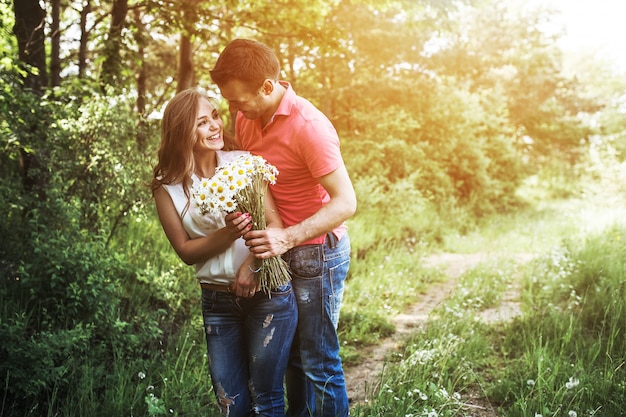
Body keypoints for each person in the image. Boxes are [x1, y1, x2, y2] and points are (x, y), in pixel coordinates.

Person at [210, 39, 357, 417]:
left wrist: (287, 237)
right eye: (230, 102)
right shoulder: (247, 116)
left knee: (318, 361)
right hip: (278, 246)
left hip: (316, 252)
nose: (234, 110)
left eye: (240, 101)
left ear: (268, 87)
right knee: (291, 355)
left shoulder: (310, 128)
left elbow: (346, 203)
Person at [151, 88, 298, 417]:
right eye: (202, 122)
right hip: (218, 304)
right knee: (230, 404)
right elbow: (186, 252)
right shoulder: (167, 186)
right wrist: (229, 232)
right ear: (182, 132)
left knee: (267, 400)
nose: (215, 126)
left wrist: (254, 265)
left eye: (215, 116)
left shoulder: (243, 163)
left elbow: (274, 223)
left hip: (268, 295)